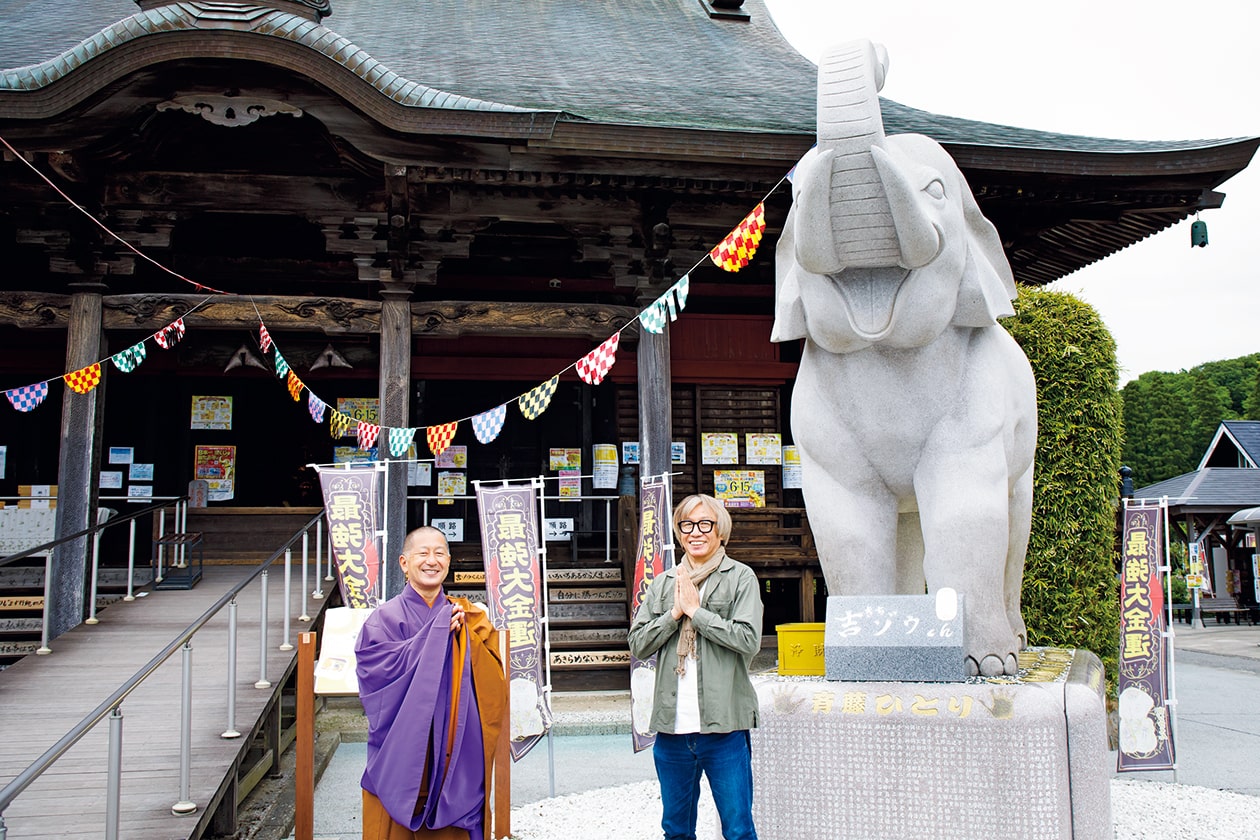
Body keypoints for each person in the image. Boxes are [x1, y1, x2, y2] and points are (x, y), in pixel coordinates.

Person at [354, 526, 507, 840]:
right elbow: (375, 681)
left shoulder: (469, 618)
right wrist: (436, 634)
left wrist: (466, 639)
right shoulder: (383, 620)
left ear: (449, 561)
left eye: (439, 553)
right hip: (402, 759)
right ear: (404, 563)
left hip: (456, 758)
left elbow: (495, 681)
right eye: (422, 553)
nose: (431, 560)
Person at [627, 493, 763, 840]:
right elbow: (639, 644)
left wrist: (697, 613)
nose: (695, 532)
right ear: (679, 531)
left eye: (705, 524)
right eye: (687, 525)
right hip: (673, 732)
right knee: (676, 830)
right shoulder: (663, 584)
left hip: (725, 730)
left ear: (721, 532)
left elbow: (748, 639)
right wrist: (674, 614)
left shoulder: (740, 578)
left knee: (738, 829)